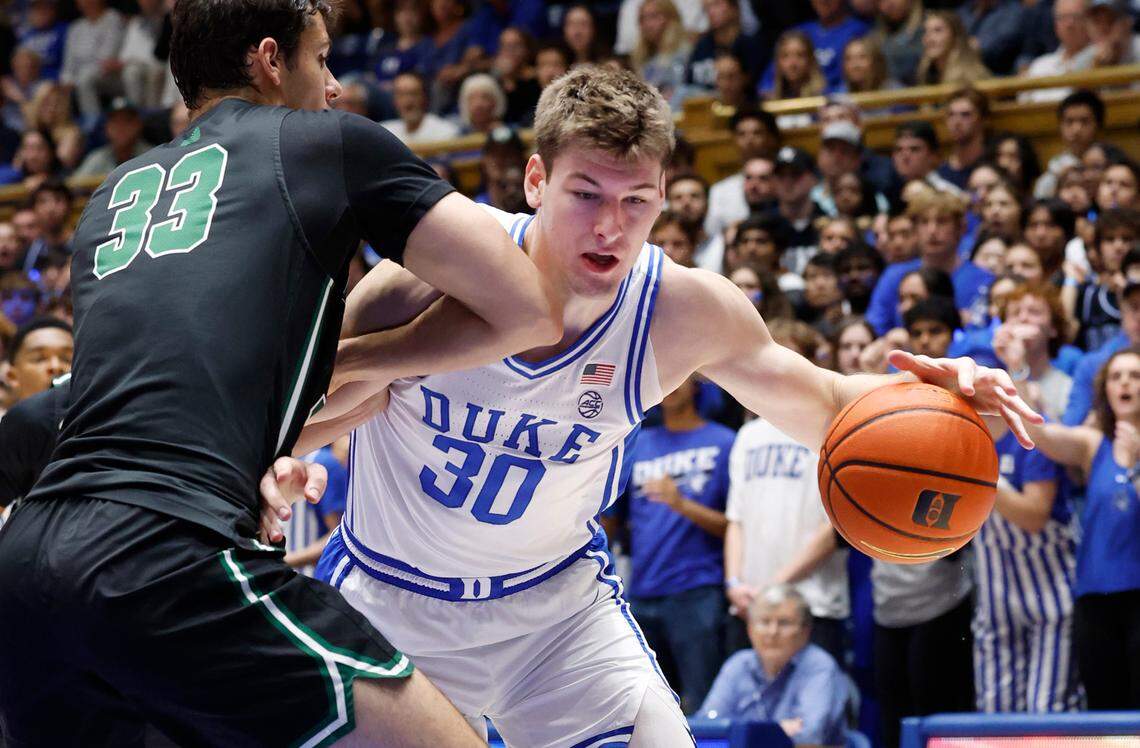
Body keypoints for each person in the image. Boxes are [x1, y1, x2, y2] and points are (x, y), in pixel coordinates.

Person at [271, 65, 1040, 747]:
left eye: (635, 200)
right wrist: (279, 464)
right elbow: (288, 413)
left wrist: (934, 396)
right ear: (536, 181)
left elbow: (828, 401)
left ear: (664, 196)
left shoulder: (680, 310)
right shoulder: (419, 282)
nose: (611, 226)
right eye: (586, 194)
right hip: (392, 603)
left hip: (554, 614)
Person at [0, 0, 562, 743]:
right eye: (321, 58)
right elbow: (530, 311)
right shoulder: (325, 143)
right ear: (270, 59)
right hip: (166, 550)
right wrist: (363, 359)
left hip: (28, 565)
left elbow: (89, 404)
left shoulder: (109, 197)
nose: (333, 85)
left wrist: (260, 458)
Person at [608, 375, 734, 712]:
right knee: (644, 708)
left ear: (697, 385)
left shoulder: (723, 442)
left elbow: (736, 527)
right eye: (662, 378)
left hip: (698, 591)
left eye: (681, 377)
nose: (670, 384)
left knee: (703, 704)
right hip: (641, 592)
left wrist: (681, 504)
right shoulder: (638, 443)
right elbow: (612, 520)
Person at [1024, 345, 1140, 709]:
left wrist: (1133, 467)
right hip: (1094, 595)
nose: (1124, 383)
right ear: (1105, 389)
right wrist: (1017, 372)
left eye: (1135, 375)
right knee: (1104, 710)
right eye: (1116, 376)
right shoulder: (1094, 444)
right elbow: (1042, 436)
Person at [699, 585, 848, 745]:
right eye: (764, 622)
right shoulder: (738, 664)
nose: (772, 632)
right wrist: (774, 731)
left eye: (784, 623)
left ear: (805, 630)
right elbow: (705, 727)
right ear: (749, 629)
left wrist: (739, 733)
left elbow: (809, 736)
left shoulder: (819, 665)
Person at [1035, 89, 1104, 199]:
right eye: (1069, 121)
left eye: (1084, 121)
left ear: (1098, 125)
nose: (1076, 129)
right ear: (1060, 126)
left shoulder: (1112, 165)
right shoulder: (1053, 172)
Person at [1021, 0, 1095, 103]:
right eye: (1063, 17)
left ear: (1090, 21)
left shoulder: (1101, 59)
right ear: (1055, 25)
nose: (1069, 24)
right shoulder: (1039, 66)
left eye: (1076, 16)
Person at [73, 97, 154, 178]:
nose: (121, 127)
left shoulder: (152, 156)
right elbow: (75, 183)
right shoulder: (98, 158)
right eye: (115, 122)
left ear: (138, 125)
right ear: (106, 127)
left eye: (127, 121)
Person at [380, 71, 461, 145]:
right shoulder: (384, 133)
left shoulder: (446, 132)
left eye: (413, 94)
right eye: (400, 95)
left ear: (425, 97)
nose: (407, 102)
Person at [915, 10, 991, 86]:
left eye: (938, 30)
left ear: (955, 37)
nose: (929, 39)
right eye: (925, 32)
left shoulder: (973, 77)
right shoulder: (926, 75)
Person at [938, 87, 989, 191]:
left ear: (983, 120)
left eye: (965, 115)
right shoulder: (939, 174)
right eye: (951, 115)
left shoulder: (994, 166)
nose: (956, 122)